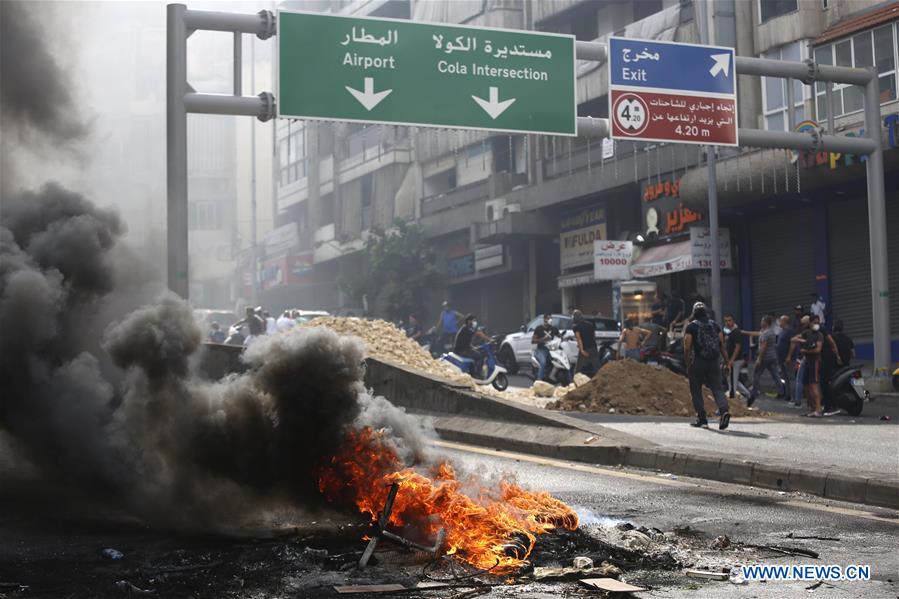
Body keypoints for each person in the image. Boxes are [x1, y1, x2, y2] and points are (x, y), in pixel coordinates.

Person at [683, 302, 730, 430]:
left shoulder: (691, 327)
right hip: (714, 361)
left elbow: (687, 347)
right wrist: (727, 362)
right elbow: (722, 345)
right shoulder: (714, 325)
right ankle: (724, 410)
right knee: (717, 388)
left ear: (693, 313)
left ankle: (702, 419)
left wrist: (688, 364)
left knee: (696, 389)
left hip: (699, 361)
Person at [747, 315, 785, 407]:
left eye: (762, 321)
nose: (760, 322)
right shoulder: (768, 332)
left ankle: (754, 393)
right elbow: (757, 334)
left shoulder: (766, 333)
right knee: (775, 375)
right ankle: (782, 391)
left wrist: (759, 359)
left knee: (756, 375)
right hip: (772, 357)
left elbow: (763, 347)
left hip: (765, 358)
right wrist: (744, 332)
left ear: (765, 322)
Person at [792, 314, 824, 417]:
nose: (817, 324)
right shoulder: (807, 333)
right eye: (814, 322)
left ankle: (818, 409)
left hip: (814, 361)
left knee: (814, 385)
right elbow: (793, 339)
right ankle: (812, 408)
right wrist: (803, 341)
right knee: (806, 386)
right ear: (810, 323)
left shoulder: (819, 335)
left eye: (818, 322)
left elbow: (818, 349)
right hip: (807, 361)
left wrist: (806, 350)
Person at [723, 314, 750, 400]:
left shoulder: (736, 332)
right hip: (730, 360)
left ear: (733, 321)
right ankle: (748, 394)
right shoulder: (728, 332)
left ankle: (732, 400)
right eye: (726, 321)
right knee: (731, 380)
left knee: (732, 382)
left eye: (729, 320)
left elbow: (738, 347)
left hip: (736, 360)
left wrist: (732, 360)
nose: (728, 322)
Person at [532, 313, 560, 381]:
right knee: (543, 362)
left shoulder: (554, 329)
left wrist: (568, 338)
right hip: (541, 350)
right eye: (548, 318)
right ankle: (539, 379)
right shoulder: (539, 328)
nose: (550, 319)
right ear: (544, 319)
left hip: (552, 350)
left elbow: (560, 336)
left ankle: (552, 375)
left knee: (560, 361)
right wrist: (542, 339)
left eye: (551, 318)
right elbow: (533, 341)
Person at [572, 310, 600, 377]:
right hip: (593, 348)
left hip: (585, 349)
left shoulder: (576, 327)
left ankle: (575, 384)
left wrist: (582, 350)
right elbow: (593, 336)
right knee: (597, 368)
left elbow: (579, 339)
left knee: (578, 369)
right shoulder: (590, 324)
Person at [776, 315, 796, 403]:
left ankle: (794, 397)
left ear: (785, 321)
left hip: (788, 359)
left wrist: (789, 356)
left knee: (791, 377)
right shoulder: (782, 332)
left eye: (780, 320)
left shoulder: (790, 331)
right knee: (785, 378)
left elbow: (793, 344)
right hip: (781, 359)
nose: (779, 322)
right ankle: (788, 395)